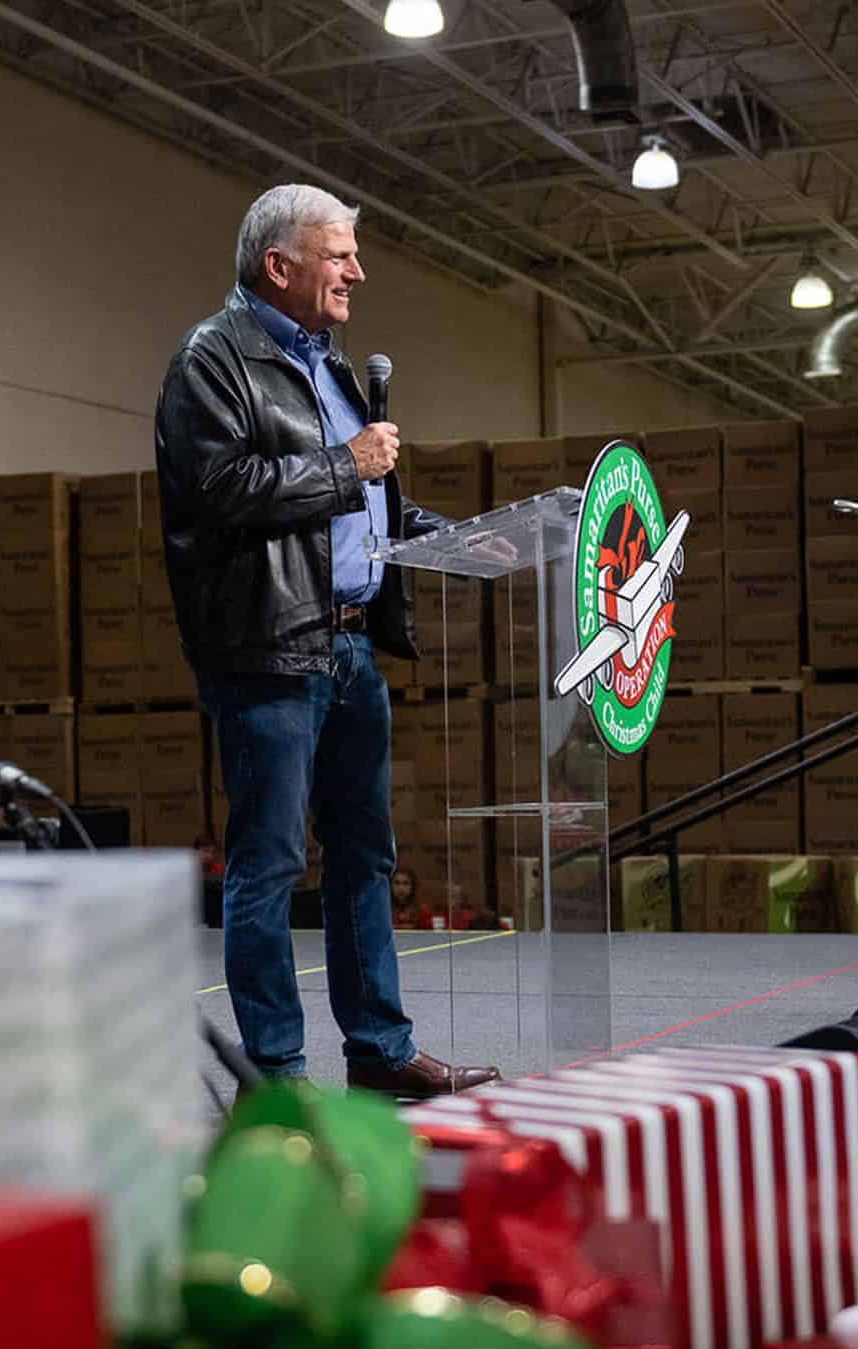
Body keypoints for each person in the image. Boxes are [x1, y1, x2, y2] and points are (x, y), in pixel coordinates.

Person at [156, 184, 497, 1097]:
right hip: (268, 648)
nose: (358, 270)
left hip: (350, 648)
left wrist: (464, 537)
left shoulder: (330, 365)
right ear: (281, 265)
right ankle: (275, 1077)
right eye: (339, 253)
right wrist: (349, 464)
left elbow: (368, 504)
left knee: (365, 857)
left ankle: (378, 1052)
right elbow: (221, 488)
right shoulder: (213, 360)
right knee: (268, 862)